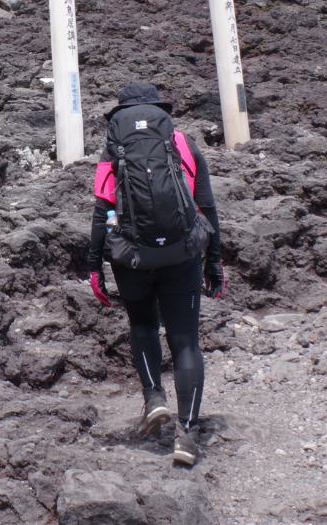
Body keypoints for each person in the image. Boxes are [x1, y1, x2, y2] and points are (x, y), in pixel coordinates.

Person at [86, 82, 224, 466]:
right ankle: (188, 435)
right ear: (161, 110)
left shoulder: (113, 149)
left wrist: (94, 265)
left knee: (143, 327)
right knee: (185, 342)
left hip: (132, 258)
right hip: (182, 255)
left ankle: (153, 399)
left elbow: (102, 211)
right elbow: (206, 207)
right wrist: (214, 260)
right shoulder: (184, 144)